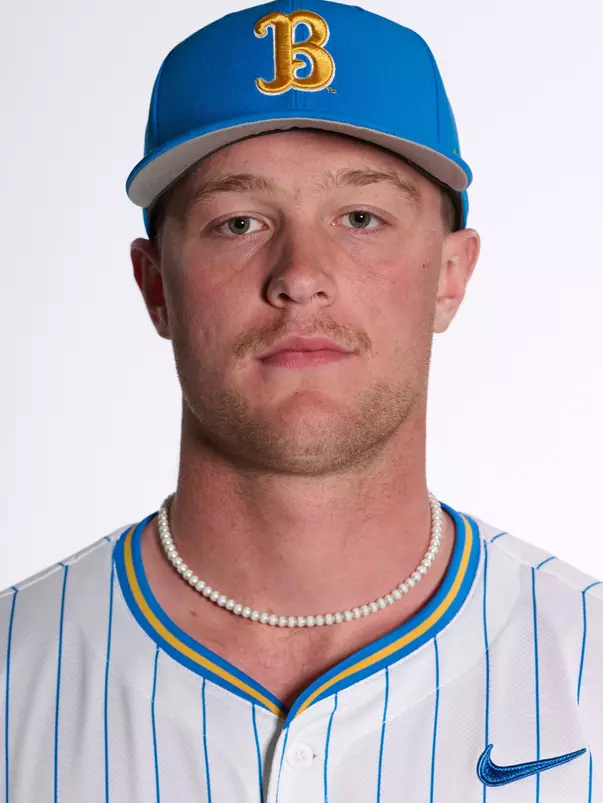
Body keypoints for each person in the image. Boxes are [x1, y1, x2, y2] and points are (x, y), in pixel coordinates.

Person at [1, 1, 601, 801]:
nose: (299, 273)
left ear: (450, 275)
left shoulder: (586, 665)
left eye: (361, 216)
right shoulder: (13, 670)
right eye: (238, 221)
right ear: (155, 286)